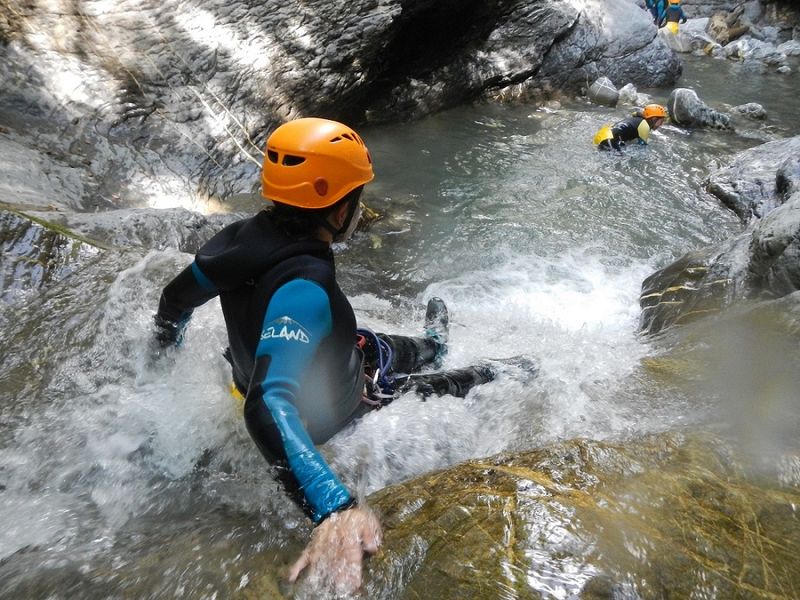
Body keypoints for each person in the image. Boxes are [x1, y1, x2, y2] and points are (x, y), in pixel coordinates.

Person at [152, 117, 497, 593]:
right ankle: (470, 357)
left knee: (379, 344)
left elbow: (173, 303)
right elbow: (269, 404)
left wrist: (159, 365)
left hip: (331, 356)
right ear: (339, 213)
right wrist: (334, 507)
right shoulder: (305, 291)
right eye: (358, 197)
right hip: (342, 402)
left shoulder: (234, 245)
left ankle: (431, 342)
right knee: (476, 377)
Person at [593, 104, 668, 152]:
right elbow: (642, 147)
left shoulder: (637, 119)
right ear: (654, 119)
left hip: (604, 134)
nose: (661, 125)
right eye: (661, 121)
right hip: (610, 139)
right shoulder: (644, 125)